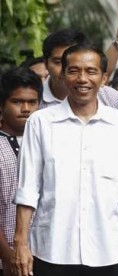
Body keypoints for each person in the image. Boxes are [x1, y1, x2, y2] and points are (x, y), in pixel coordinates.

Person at [12, 44, 118, 276]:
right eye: (73, 70)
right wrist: (21, 244)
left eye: (91, 71)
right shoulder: (41, 123)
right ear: (63, 75)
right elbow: (27, 190)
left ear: (104, 78)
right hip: (51, 250)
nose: (82, 78)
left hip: (109, 251)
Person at [0, 67, 42, 276]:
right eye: (17, 102)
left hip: (43, 254)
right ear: (2, 105)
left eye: (32, 102)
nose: (26, 108)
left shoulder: (47, 145)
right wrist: (6, 255)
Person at [40, 28, 118, 114]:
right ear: (46, 63)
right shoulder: (33, 99)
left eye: (75, 64)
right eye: (58, 62)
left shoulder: (110, 98)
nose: (65, 69)